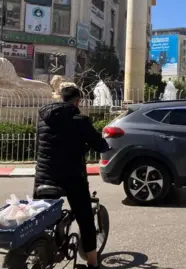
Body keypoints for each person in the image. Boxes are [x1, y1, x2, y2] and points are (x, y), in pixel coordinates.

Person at [33, 86, 110, 269]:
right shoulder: (80, 120)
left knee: (40, 219)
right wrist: (104, 146)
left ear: (60, 98)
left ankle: (39, 249)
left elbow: (41, 146)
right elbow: (99, 144)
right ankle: (92, 262)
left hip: (44, 176)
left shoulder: (43, 119)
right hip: (72, 177)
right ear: (77, 101)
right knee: (85, 219)